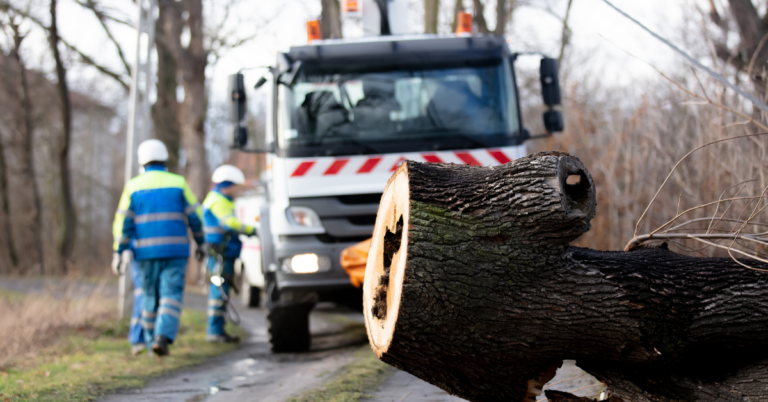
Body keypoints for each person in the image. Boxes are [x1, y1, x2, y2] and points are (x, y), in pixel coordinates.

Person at [112, 139, 206, 356]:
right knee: (170, 295)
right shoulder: (179, 183)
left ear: (142, 163)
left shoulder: (133, 186)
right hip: (175, 252)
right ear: (165, 160)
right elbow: (195, 216)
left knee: (148, 297)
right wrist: (201, 242)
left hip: (144, 254)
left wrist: (119, 251)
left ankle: (148, 340)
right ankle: (162, 337)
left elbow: (122, 223)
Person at [202, 165, 257, 343]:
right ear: (227, 184)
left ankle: (218, 330)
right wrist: (252, 230)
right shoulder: (218, 200)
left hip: (223, 253)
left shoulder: (220, 199)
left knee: (221, 289)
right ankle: (214, 331)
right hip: (220, 254)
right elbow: (230, 223)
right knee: (219, 291)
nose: (236, 190)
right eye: (235, 186)